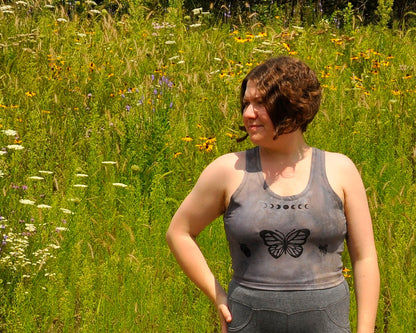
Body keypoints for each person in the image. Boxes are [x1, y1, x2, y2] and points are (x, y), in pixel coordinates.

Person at [166, 56, 379, 332]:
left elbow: (365, 257)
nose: (248, 114)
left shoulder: (340, 169)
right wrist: (217, 295)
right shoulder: (228, 170)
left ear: (293, 105)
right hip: (248, 322)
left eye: (260, 103)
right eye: (245, 104)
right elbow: (179, 232)